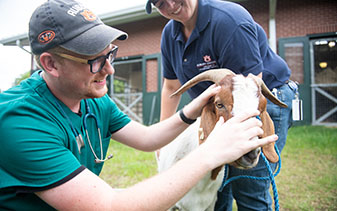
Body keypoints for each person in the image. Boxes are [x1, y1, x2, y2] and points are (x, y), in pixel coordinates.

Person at [0, 0, 278, 210]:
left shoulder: (92, 100)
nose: (109, 70)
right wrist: (211, 153)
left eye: (111, 54)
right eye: (95, 61)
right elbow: (108, 207)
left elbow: (146, 138)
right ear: (50, 64)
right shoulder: (20, 122)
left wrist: (189, 111)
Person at [146, 0, 296, 210]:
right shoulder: (170, 35)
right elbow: (171, 87)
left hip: (261, 99)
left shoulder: (229, 21)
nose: (171, 4)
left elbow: (249, 90)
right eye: (160, 3)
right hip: (220, 109)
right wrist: (164, 139)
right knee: (216, 184)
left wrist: (242, 143)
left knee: (247, 185)